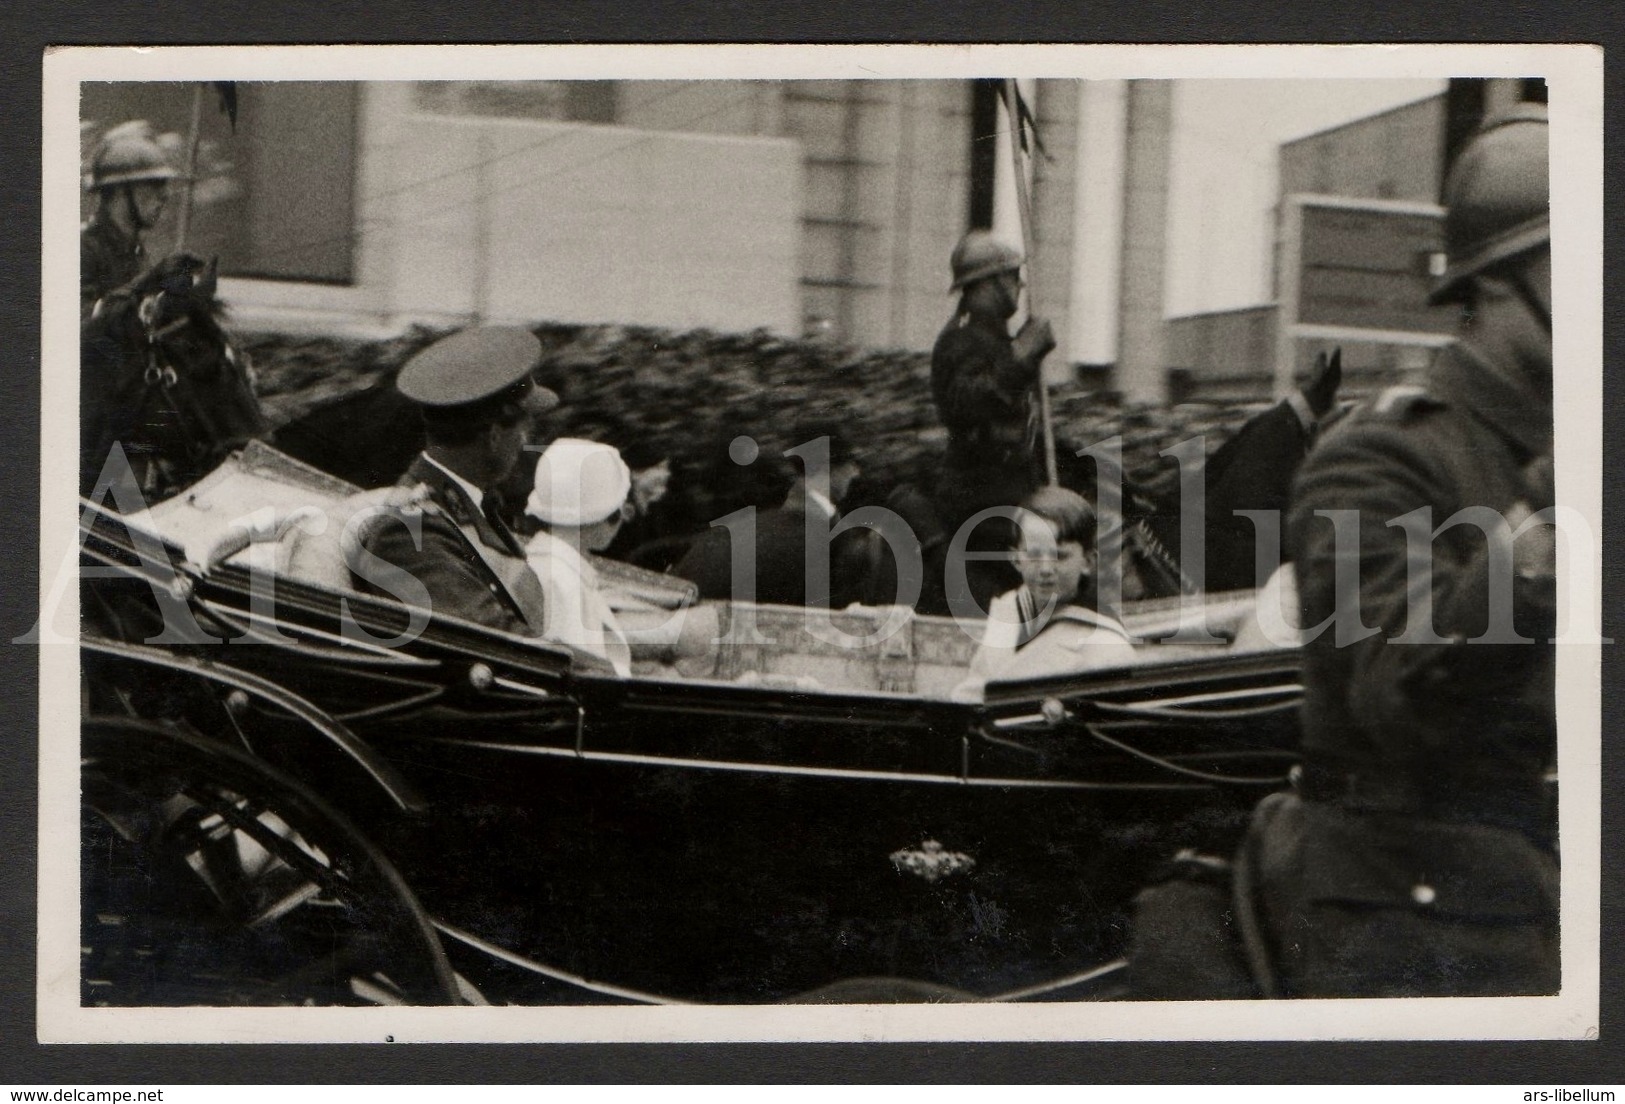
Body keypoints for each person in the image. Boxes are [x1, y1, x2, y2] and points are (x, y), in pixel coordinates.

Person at [1246, 104, 1559, 997]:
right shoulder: (1378, 453)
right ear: (1498, 280)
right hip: (1417, 913)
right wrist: (1539, 540)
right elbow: (1394, 687)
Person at [357, 326, 558, 637]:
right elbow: (494, 639)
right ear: (493, 436)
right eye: (522, 429)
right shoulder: (410, 533)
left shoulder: (463, 506)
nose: (524, 442)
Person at [930, 230, 1057, 615]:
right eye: (1012, 275)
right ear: (988, 281)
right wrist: (1022, 356)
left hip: (1010, 481)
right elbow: (968, 403)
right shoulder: (963, 336)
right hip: (981, 489)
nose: (1019, 284)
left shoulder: (994, 336)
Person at [954, 486, 1135, 701]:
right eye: (1033, 555)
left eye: (1060, 556)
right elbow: (971, 692)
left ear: (1088, 562)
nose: (1046, 569)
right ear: (1016, 560)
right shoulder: (1008, 611)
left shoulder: (1104, 644)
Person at [673, 423, 862, 607]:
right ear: (826, 464)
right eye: (851, 462)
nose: (855, 472)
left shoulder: (736, 530)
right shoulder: (828, 538)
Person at [522, 438, 637, 675]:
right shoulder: (565, 583)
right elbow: (586, 677)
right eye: (619, 511)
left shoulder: (541, 562)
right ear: (601, 518)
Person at [82, 121, 179, 320]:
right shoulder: (82, 250)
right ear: (120, 192)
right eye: (154, 184)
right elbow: (76, 329)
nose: (165, 195)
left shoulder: (134, 252)